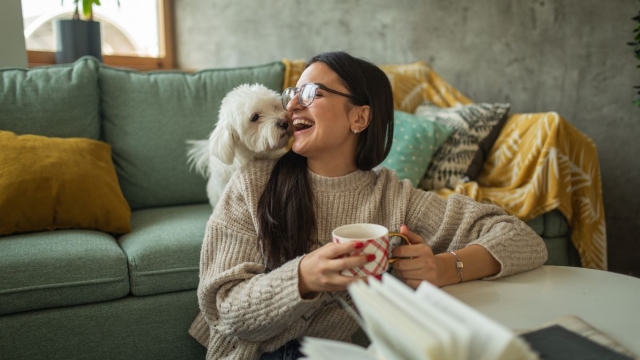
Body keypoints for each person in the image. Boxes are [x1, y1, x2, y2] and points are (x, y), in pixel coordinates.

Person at [189, 51, 548, 359]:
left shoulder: (393, 197)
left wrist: (443, 267)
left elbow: (521, 238)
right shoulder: (253, 184)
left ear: (359, 117)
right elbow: (223, 309)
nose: (292, 104)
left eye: (311, 93)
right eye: (292, 93)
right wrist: (302, 278)